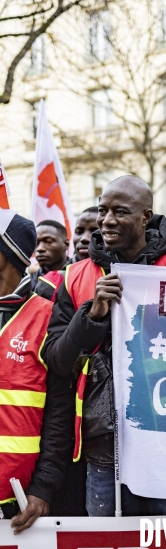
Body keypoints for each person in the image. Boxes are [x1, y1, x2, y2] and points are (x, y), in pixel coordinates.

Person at [42, 175, 166, 518]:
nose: (107, 220)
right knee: (108, 539)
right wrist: (92, 316)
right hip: (104, 448)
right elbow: (58, 361)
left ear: (145, 217)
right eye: (103, 210)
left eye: (120, 211)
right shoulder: (76, 276)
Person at [0, 210, 73, 534]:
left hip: (16, 499)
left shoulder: (47, 316)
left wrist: (43, 486)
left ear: (6, 256)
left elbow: (60, 413)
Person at [35, 207, 99, 301]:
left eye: (94, 231)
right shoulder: (48, 284)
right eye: (78, 232)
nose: (84, 238)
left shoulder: (122, 275)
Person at [30, 220, 69, 290]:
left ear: (66, 244)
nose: (40, 248)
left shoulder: (81, 276)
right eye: (36, 243)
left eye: (48, 241)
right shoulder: (26, 285)